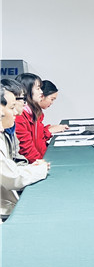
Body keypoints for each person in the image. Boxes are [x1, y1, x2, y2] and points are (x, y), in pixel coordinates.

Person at [1, 86, 49, 218]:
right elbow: (12, 178)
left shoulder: (9, 127)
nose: (16, 112)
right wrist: (39, 169)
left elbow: (12, 164)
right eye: (12, 107)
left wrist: (31, 167)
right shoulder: (13, 124)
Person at [14, 73, 52, 163]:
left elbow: (39, 142)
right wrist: (42, 163)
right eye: (38, 88)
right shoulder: (19, 117)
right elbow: (26, 149)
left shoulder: (34, 112)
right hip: (31, 164)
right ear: (27, 90)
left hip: (39, 161)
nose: (41, 92)